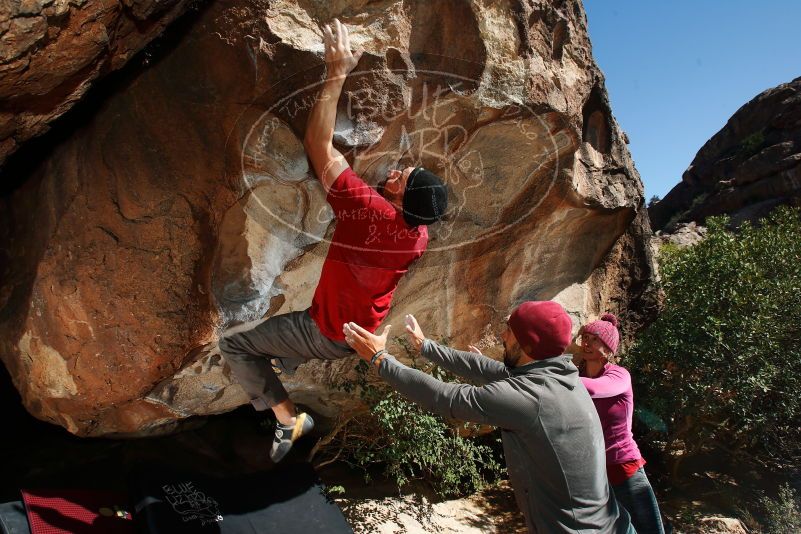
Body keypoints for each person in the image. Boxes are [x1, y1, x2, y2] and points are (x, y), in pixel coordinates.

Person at [219, 19, 448, 462]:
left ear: (401, 199)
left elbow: (319, 145)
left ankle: (289, 420)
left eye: (405, 177)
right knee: (279, 346)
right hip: (352, 327)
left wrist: (337, 72)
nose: (398, 170)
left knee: (235, 344)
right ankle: (281, 363)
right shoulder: (415, 235)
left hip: (324, 330)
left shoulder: (370, 213)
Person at [342, 301, 634, 533]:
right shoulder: (558, 374)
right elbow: (484, 367)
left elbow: (446, 398)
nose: (502, 336)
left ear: (529, 346)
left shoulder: (530, 398)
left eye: (510, 331)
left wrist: (380, 359)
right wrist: (426, 347)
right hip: (612, 525)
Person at [568, 313, 665, 534]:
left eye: (595, 339)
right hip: (593, 472)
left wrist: (553, 375)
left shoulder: (619, 376)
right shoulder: (577, 376)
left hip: (624, 469)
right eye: (586, 337)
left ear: (609, 349)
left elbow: (595, 389)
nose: (587, 343)